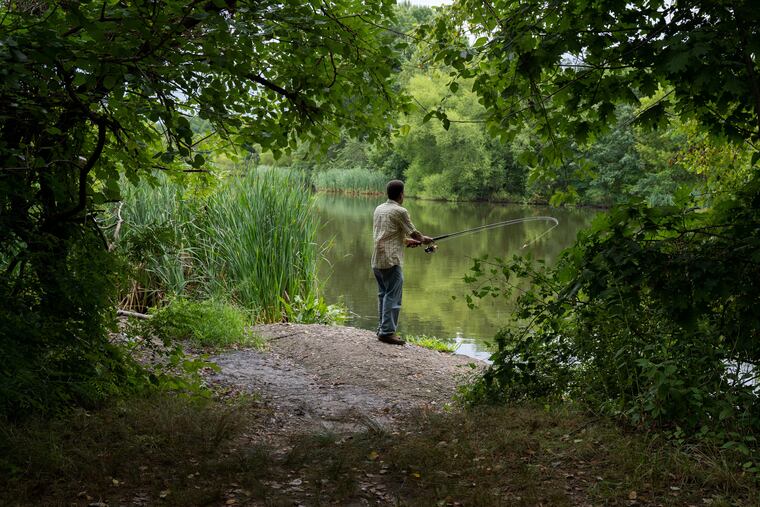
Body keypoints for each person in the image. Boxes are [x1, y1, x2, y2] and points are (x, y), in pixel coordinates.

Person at [371, 180, 433, 345]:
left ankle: (382, 329)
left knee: (384, 295)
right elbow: (415, 233)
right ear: (401, 194)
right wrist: (425, 240)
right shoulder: (400, 211)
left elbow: (386, 234)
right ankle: (387, 332)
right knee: (393, 295)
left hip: (377, 259)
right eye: (403, 193)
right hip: (391, 260)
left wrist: (406, 242)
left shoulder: (379, 209)